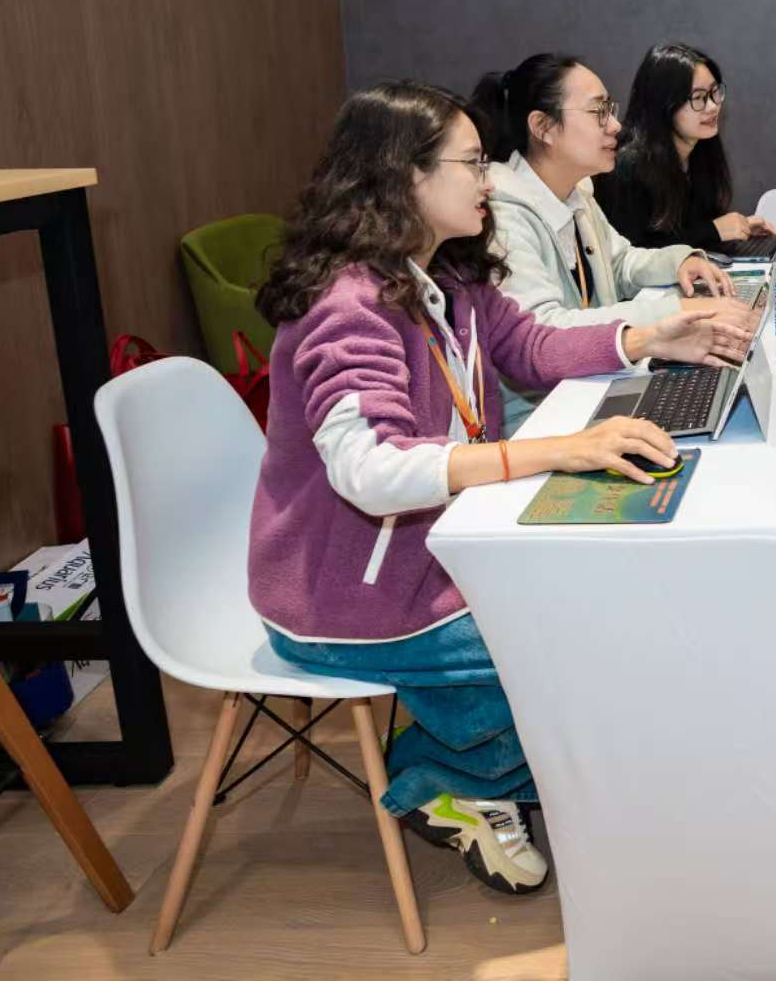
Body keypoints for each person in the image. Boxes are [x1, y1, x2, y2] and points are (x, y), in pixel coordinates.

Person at [249, 81, 750, 895]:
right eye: (472, 163)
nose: (488, 179)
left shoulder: (445, 275)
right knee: (578, 646)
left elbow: (532, 348)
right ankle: (446, 774)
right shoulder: (346, 306)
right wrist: (558, 451)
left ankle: (478, 767)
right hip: (344, 598)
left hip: (438, 552)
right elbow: (370, 471)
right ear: (402, 175)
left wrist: (652, 338)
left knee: (605, 622)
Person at [471, 53, 755, 425]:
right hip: (541, 415)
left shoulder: (578, 194)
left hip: (594, 384)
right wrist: (676, 311)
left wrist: (680, 260)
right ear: (543, 127)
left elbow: (621, 262)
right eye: (599, 112)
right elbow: (545, 332)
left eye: (612, 110)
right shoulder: (503, 215)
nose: (616, 126)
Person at [595, 43, 773, 251]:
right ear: (664, 104)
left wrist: (737, 228)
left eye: (714, 92)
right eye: (698, 98)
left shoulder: (700, 151)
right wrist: (714, 230)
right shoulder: (627, 165)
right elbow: (633, 253)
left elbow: (686, 232)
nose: (713, 106)